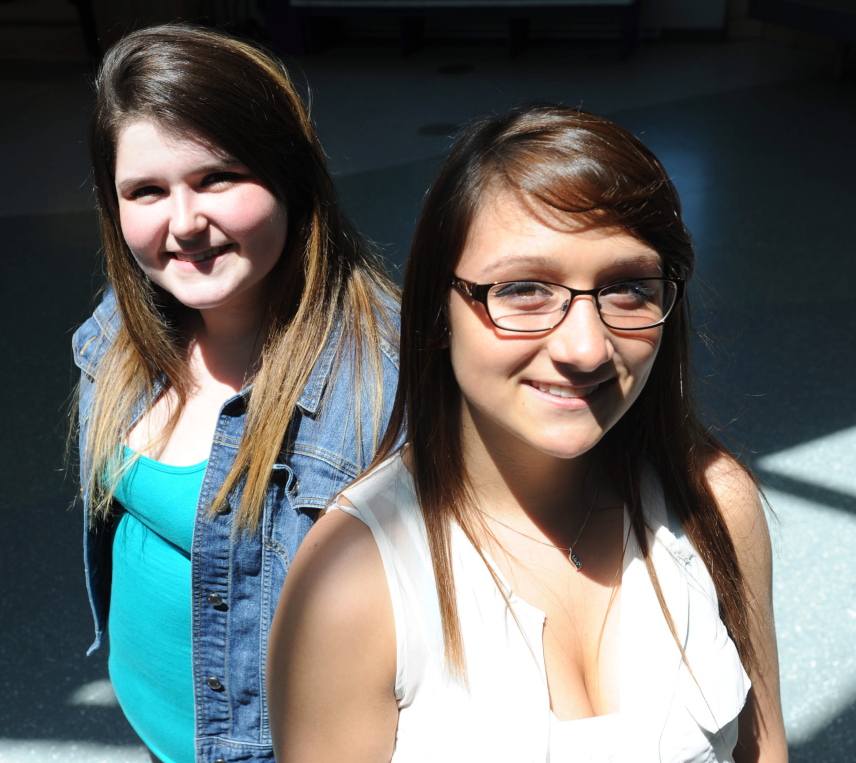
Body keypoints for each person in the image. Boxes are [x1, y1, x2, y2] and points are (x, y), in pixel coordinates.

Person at [268, 105, 787, 762]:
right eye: (524, 289)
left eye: (628, 287)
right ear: (438, 305)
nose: (586, 346)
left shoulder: (714, 503)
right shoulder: (351, 584)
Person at [71, 24, 399, 763]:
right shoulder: (122, 325)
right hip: (158, 730)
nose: (184, 224)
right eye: (146, 191)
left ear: (290, 175)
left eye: (218, 177)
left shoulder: (387, 378)